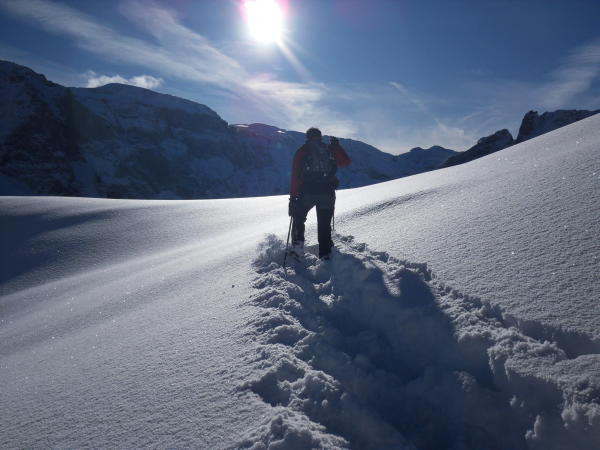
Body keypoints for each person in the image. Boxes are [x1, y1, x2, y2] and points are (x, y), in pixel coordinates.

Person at [288, 127, 351, 259]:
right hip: (327, 192)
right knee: (324, 223)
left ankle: (297, 249)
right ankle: (325, 253)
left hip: (307, 193)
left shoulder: (302, 151)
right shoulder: (329, 149)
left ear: (307, 137)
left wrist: (293, 198)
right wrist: (337, 147)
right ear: (321, 137)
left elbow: (295, 176)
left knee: (298, 218)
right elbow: (345, 162)